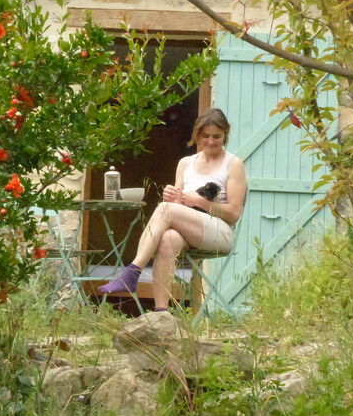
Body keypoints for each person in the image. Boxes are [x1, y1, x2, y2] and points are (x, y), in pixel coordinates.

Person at [97, 107, 247, 311]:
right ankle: (161, 314)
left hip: (220, 233)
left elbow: (234, 214)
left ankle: (132, 272)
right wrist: (175, 198)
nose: (211, 142)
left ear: (225, 135)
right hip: (190, 229)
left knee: (166, 209)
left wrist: (198, 201)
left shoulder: (233, 164)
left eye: (217, 137)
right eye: (205, 136)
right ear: (197, 135)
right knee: (167, 239)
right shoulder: (185, 163)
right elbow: (176, 206)